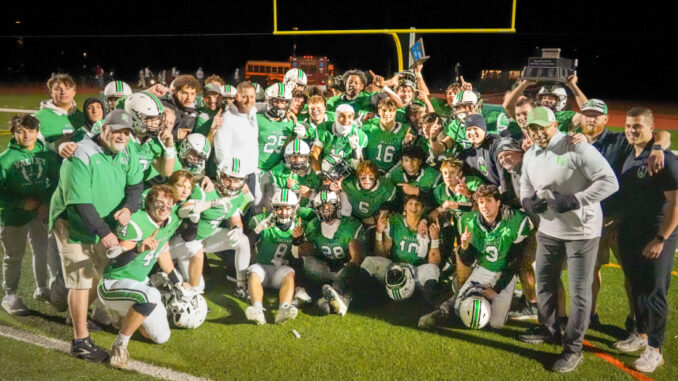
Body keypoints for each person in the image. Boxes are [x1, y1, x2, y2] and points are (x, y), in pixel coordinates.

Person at [518, 106, 618, 373]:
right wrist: (527, 203)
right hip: (549, 230)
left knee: (579, 293)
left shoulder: (578, 147)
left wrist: (575, 200)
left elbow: (610, 182)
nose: (538, 133)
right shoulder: (530, 154)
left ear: (554, 125)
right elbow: (525, 185)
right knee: (544, 283)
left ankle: (573, 349)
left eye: (542, 127)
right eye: (533, 128)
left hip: (581, 232)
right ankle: (549, 330)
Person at [49, 109, 144, 362]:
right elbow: (80, 203)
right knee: (81, 279)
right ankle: (80, 341)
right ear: (104, 130)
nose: (122, 136)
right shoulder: (79, 153)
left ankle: (76, 315)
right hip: (73, 222)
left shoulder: (128, 149)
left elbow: (136, 187)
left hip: (103, 222)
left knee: (94, 279)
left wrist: (128, 208)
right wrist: (104, 233)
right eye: (117, 131)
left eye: (127, 132)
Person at [577, 99, 670, 328]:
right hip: (589, 221)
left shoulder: (619, 140)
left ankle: (635, 321)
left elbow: (663, 134)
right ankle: (591, 315)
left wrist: (657, 149)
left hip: (618, 221)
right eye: (586, 114)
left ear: (605, 120)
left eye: (596, 116)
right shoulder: (574, 142)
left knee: (632, 275)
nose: (590, 119)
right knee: (591, 271)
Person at [613, 107, 678, 373]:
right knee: (637, 287)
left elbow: (676, 203)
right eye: (628, 126)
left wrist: (661, 238)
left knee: (655, 292)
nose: (631, 130)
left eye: (638, 126)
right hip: (631, 233)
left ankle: (655, 349)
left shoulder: (665, 158)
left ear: (651, 128)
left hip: (656, 234)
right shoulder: (630, 154)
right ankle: (640, 335)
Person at [99, 185, 189, 369]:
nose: (165, 208)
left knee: (161, 337)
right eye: (160, 203)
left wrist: (177, 282)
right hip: (113, 283)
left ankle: (127, 317)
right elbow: (114, 258)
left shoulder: (170, 220)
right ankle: (119, 345)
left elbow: (163, 250)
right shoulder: (136, 222)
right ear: (149, 203)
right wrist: (138, 248)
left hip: (138, 286)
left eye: (169, 204)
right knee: (151, 295)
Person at [419, 184, 530, 329]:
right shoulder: (469, 221)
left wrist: (496, 289)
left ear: (498, 202)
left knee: (496, 324)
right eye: (481, 202)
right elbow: (468, 260)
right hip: (482, 270)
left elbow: (515, 260)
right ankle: (447, 308)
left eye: (489, 201)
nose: (485, 206)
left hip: (504, 274)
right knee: (459, 309)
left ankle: (509, 299)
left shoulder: (514, 221)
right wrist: (465, 246)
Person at [0, 115, 59, 315]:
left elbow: (57, 181)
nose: (26, 135)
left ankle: (42, 288)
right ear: (14, 132)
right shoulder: (5, 159)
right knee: (13, 256)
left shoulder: (47, 156)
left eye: (31, 131)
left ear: (37, 132)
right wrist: (20, 203)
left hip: (40, 213)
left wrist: (46, 202)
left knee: (42, 250)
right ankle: (10, 295)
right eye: (21, 131)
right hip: (13, 216)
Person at [170, 157, 253, 297]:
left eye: (238, 180)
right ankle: (172, 277)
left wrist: (237, 228)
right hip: (185, 241)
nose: (233, 185)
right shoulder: (204, 190)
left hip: (207, 238)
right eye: (228, 179)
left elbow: (235, 217)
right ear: (219, 176)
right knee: (197, 287)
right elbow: (183, 210)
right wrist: (211, 202)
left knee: (243, 240)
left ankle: (242, 285)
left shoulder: (238, 196)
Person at [294, 190, 365, 316]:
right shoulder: (313, 225)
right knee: (305, 260)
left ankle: (332, 299)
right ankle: (306, 294)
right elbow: (305, 252)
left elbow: (357, 258)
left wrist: (346, 272)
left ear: (337, 206)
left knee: (353, 271)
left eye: (328, 206)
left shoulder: (349, 225)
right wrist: (300, 241)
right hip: (325, 268)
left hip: (344, 270)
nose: (325, 210)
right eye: (322, 208)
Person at [244, 189, 301, 325]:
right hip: (261, 268)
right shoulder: (260, 220)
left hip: (279, 272)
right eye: (280, 208)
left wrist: (298, 241)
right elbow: (245, 244)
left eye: (288, 209)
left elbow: (298, 258)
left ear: (295, 208)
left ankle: (283, 309)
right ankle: (257, 309)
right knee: (254, 272)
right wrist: (256, 231)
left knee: (289, 273)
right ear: (273, 208)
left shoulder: (298, 226)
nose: (284, 212)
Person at [213, 81, 261, 206]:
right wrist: (237, 181)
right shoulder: (227, 119)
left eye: (252, 97)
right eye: (244, 96)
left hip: (251, 174)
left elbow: (261, 106)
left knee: (248, 216)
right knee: (232, 217)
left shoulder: (251, 112)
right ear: (237, 97)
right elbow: (221, 155)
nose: (248, 100)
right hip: (234, 179)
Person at [35, 73, 85, 155]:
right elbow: (31, 149)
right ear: (51, 92)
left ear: (74, 92)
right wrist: (55, 145)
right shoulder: (37, 119)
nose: (63, 92)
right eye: (58, 89)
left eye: (67, 88)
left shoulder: (83, 117)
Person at [311, 104, 367, 170]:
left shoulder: (360, 135)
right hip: (325, 168)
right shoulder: (323, 129)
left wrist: (355, 150)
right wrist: (318, 172)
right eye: (342, 116)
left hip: (348, 172)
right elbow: (314, 154)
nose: (346, 120)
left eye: (350, 116)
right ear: (336, 117)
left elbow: (359, 168)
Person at [362, 98, 409, 173]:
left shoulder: (405, 130)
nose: (387, 114)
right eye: (384, 110)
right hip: (370, 172)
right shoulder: (368, 128)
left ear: (395, 112)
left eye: (390, 110)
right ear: (379, 111)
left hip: (394, 172)